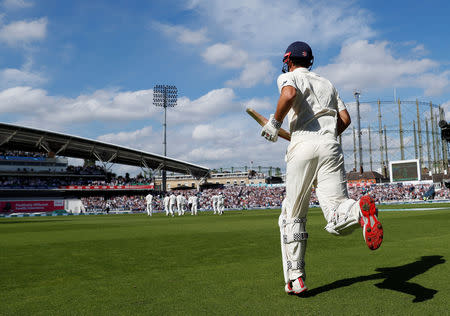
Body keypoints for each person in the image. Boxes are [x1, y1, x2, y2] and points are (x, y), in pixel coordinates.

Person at [260, 41, 383, 295]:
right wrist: (325, 136)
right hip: (331, 145)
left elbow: (289, 95)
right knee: (337, 209)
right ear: (311, 61)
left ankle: (296, 278)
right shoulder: (328, 83)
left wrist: (274, 123)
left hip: (302, 146)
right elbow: (345, 119)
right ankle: (359, 211)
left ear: (288, 60)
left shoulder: (288, 77)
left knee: (292, 214)